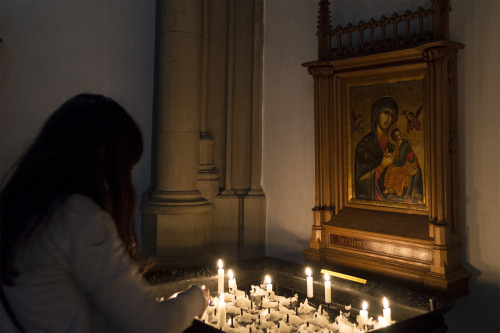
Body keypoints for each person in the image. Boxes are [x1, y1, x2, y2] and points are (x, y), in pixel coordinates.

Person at [0, 94, 209, 332]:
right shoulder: (78, 218)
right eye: (126, 167)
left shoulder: (23, 207)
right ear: (103, 154)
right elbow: (153, 325)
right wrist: (195, 299)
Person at [383, 128, 423, 202]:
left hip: (411, 164)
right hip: (404, 163)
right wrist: (389, 155)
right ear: (394, 138)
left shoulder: (404, 144)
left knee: (394, 170)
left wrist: (392, 158)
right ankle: (389, 188)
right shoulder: (396, 145)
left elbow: (401, 161)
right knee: (390, 167)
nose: (399, 136)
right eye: (397, 135)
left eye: (399, 134)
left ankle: (395, 189)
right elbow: (396, 156)